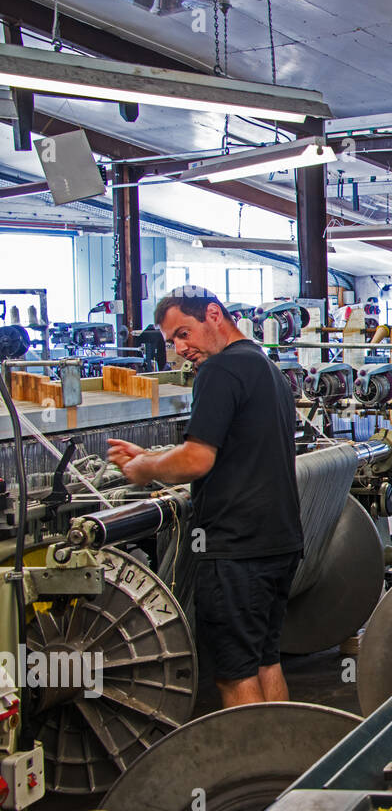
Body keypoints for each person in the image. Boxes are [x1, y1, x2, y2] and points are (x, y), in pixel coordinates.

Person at [106, 285, 303, 707]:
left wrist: (143, 470)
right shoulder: (265, 367)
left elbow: (197, 459)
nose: (180, 349)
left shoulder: (219, 370)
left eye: (184, 333)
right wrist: (152, 456)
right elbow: (235, 448)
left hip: (235, 549)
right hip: (278, 542)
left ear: (214, 314)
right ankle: (284, 750)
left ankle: (252, 754)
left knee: (235, 676)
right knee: (265, 663)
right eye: (172, 340)